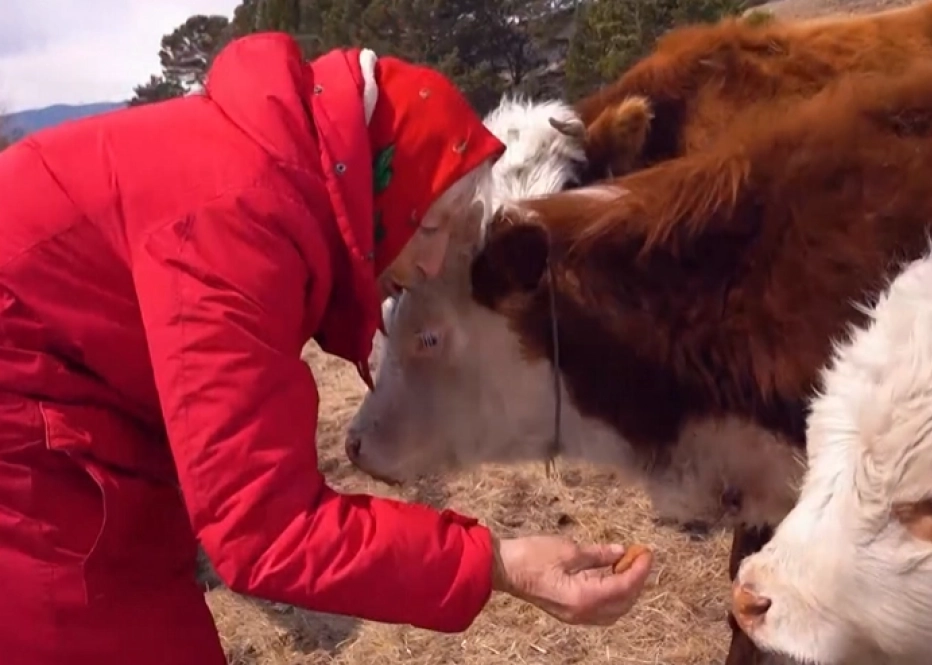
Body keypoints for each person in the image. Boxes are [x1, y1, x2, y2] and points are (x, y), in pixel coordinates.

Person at [0, 32, 653, 665]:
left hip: (70, 394)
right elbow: (266, 530)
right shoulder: (237, 229)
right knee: (110, 621)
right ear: (379, 195)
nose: (430, 264)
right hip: (28, 424)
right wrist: (497, 563)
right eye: (429, 227)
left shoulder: (270, 181)